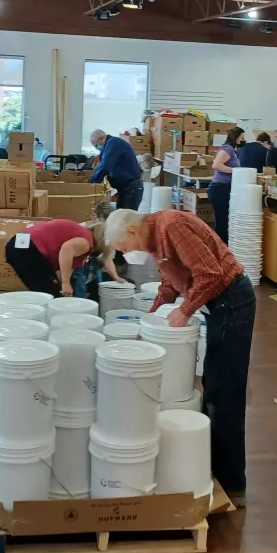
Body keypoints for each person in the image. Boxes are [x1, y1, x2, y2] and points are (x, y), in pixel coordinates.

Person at [104, 208, 255, 506]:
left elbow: (210, 274)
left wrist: (185, 310)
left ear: (132, 231)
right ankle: (215, 468)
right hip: (220, 305)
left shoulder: (171, 226)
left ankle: (232, 485)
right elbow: (170, 285)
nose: (126, 254)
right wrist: (145, 327)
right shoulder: (156, 241)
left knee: (224, 394)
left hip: (232, 303)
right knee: (214, 385)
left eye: (123, 248)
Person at [3, 218, 96, 297]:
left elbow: (65, 263)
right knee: (51, 296)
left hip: (18, 242)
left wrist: (62, 283)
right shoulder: (87, 241)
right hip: (29, 248)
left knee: (44, 293)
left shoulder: (81, 232)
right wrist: (65, 284)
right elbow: (67, 248)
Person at [89, 129, 145, 210]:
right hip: (124, 188)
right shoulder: (109, 146)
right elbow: (101, 164)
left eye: (96, 145)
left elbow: (105, 166)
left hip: (131, 187)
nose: (97, 148)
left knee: (126, 218)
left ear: (101, 139)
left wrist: (92, 183)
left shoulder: (113, 144)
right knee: (120, 216)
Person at [207, 127, 243, 243]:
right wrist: (235, 171)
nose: (243, 140)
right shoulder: (228, 149)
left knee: (224, 220)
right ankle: (219, 248)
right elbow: (216, 165)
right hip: (219, 188)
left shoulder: (233, 150)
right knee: (222, 221)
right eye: (241, 138)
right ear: (235, 137)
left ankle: (220, 247)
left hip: (224, 188)